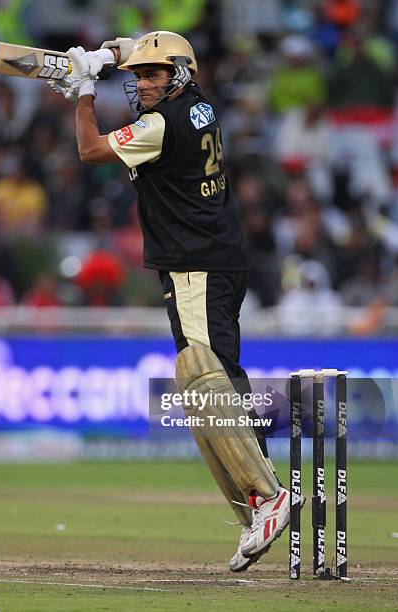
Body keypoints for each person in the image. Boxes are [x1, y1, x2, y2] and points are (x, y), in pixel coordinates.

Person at [49, 31, 293, 572]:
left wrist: (85, 89)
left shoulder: (162, 125)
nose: (141, 85)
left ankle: (267, 495)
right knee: (219, 376)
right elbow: (156, 47)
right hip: (222, 258)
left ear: (177, 75)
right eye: (137, 76)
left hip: (195, 266)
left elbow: (90, 150)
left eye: (151, 76)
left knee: (205, 376)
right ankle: (262, 498)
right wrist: (111, 54)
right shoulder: (201, 104)